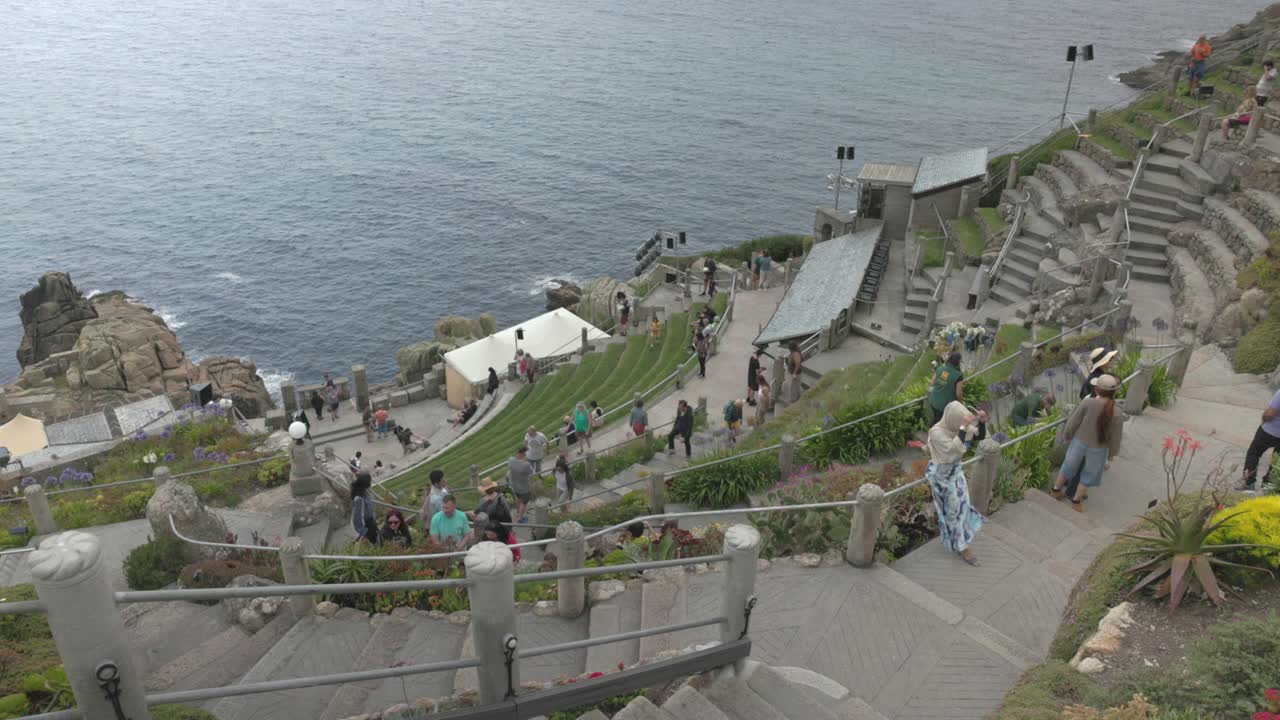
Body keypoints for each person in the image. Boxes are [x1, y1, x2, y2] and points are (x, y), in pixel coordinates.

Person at [926, 402, 988, 566]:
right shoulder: (936, 432)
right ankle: (963, 547)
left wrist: (981, 422)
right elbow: (953, 449)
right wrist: (963, 426)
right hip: (942, 477)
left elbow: (979, 437)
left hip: (955, 472)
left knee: (964, 506)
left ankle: (962, 540)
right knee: (953, 511)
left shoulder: (959, 428)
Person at [1052, 375, 1123, 513]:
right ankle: (1077, 501)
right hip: (1099, 449)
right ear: (1114, 392)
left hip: (1079, 441)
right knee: (1089, 474)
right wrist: (1112, 453)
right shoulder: (1117, 412)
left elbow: (1073, 421)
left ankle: (1056, 490)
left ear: (1097, 389)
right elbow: (1116, 436)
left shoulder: (1087, 403)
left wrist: (1067, 435)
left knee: (1068, 465)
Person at [1241, 387, 1280, 492]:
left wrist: (1264, 418)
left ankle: (1249, 484)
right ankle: (1268, 485)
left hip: (1268, 431)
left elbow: (1271, 413)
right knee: (1277, 461)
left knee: (1253, 454)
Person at [927, 352, 965, 424]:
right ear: (958, 362)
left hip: (933, 401)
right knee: (944, 424)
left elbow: (932, 383)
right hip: (946, 406)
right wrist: (961, 404)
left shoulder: (940, 368)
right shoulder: (958, 375)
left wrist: (942, 383)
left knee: (936, 421)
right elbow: (958, 394)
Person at [507, 446, 535, 521]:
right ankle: (520, 518)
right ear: (523, 454)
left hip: (514, 485)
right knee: (524, 503)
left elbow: (509, 469)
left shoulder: (510, 460)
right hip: (524, 488)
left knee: (517, 498)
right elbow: (531, 473)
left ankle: (518, 511)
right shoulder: (526, 464)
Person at [350, 471, 378, 544]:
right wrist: (365, 533)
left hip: (372, 524)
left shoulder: (366, 493)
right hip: (367, 528)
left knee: (380, 542)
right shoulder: (359, 499)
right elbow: (357, 520)